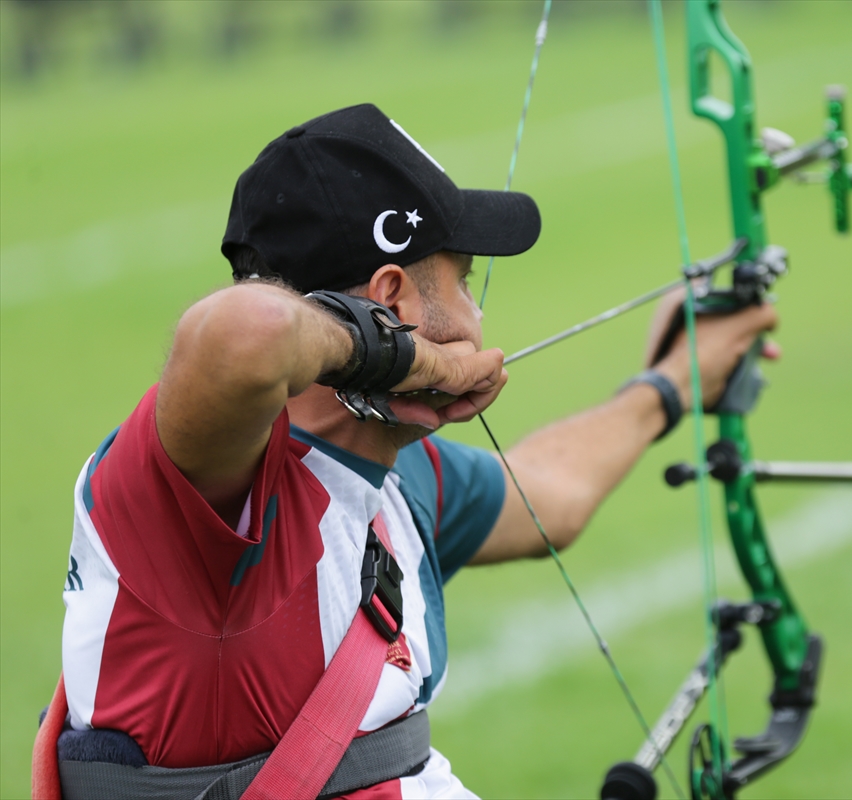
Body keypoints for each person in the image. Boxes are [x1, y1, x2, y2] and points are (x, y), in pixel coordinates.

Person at [47, 104, 777, 799]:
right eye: (461, 280)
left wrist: (671, 382)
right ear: (392, 298)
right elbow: (241, 337)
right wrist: (419, 365)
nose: (478, 313)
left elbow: (548, 495)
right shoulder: (203, 498)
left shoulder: (396, 477)